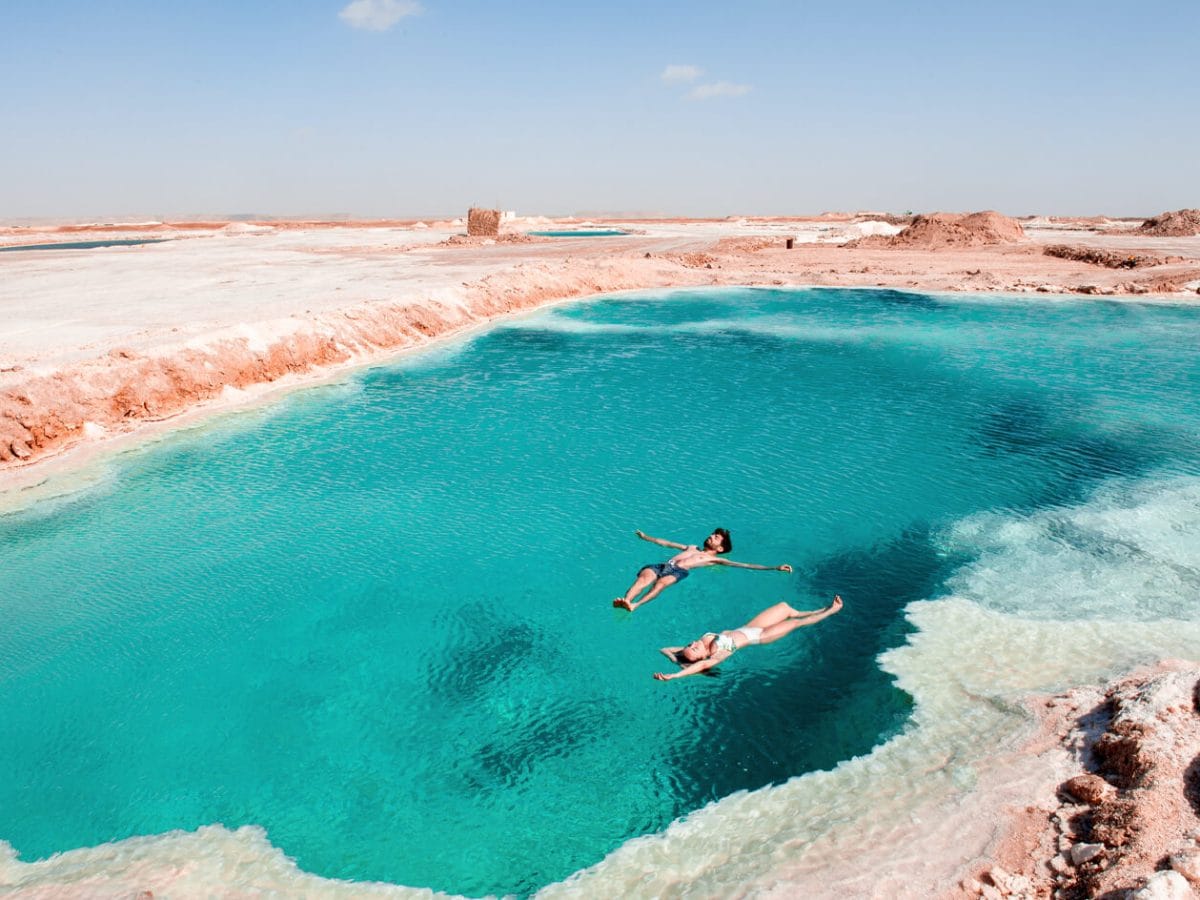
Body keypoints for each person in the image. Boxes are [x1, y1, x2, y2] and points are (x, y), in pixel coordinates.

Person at [653, 595, 843, 681]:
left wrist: (677, 660)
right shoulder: (716, 655)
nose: (693, 643)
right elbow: (701, 666)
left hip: (750, 627)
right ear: (702, 657)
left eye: (689, 644)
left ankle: (820, 609)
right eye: (694, 648)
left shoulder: (700, 644)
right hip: (761, 636)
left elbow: (665, 649)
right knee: (795, 623)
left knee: (785, 608)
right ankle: (830, 611)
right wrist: (676, 675)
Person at [612, 528, 793, 612]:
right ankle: (626, 600)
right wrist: (646, 537)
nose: (711, 536)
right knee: (643, 579)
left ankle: (635, 606)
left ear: (720, 548)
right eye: (712, 534)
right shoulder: (691, 547)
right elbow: (666, 543)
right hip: (664, 565)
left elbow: (745, 565)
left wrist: (774, 567)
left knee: (660, 585)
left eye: (716, 537)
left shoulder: (714, 559)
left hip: (678, 571)